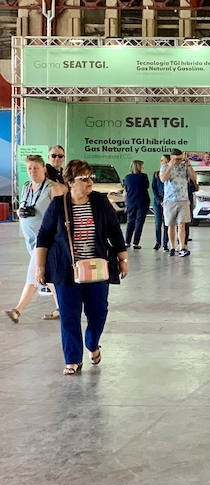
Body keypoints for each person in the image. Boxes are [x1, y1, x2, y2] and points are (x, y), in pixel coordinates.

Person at [34, 160, 128, 375]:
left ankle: (92, 343)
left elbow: (114, 231)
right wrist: (39, 267)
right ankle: (72, 360)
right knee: (69, 315)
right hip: (66, 271)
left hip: (97, 268)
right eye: (83, 178)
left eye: (91, 178)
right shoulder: (59, 205)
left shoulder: (100, 202)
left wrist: (123, 259)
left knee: (98, 312)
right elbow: (44, 237)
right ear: (69, 181)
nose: (89, 182)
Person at [4, 155, 66, 323]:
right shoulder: (26, 187)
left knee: (34, 275)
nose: (32, 172)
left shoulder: (52, 188)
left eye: (36, 168)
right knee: (46, 277)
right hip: (30, 241)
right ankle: (63, 308)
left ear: (44, 169)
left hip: (46, 242)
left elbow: (62, 214)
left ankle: (18, 310)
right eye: (29, 168)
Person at [160, 148, 197, 257]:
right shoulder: (165, 167)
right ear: (171, 158)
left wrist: (189, 165)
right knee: (171, 225)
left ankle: (182, 247)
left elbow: (194, 178)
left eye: (180, 159)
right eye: (176, 159)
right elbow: (163, 179)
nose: (179, 161)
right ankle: (172, 247)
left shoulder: (184, 167)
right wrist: (171, 166)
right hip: (170, 200)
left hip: (183, 200)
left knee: (181, 224)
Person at [123, 160, 150, 249]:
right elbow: (147, 186)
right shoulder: (144, 176)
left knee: (130, 221)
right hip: (142, 201)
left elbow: (126, 189)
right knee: (139, 222)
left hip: (131, 202)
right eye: (142, 166)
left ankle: (127, 241)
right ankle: (136, 243)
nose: (143, 168)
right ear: (139, 167)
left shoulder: (127, 177)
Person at [152, 155, 169, 251]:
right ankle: (158, 242)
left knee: (166, 224)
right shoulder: (156, 174)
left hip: (168, 201)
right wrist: (159, 200)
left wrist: (165, 201)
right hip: (158, 202)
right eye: (161, 160)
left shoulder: (171, 173)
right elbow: (153, 188)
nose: (161, 161)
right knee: (158, 223)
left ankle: (165, 244)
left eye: (163, 160)